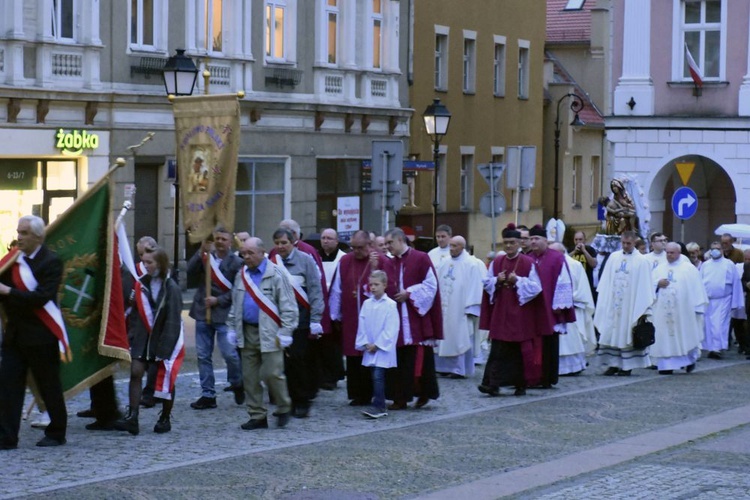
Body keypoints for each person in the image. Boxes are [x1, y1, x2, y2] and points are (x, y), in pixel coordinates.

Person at [0, 216, 68, 449]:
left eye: (25, 233)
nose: (19, 237)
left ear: (38, 236)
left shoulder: (51, 262)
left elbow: (41, 297)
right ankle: (7, 436)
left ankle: (57, 432)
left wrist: (9, 292)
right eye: (19, 232)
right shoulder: (12, 261)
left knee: (48, 386)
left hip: (41, 335)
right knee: (8, 386)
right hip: (15, 335)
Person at [228, 237, 298, 430]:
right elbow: (236, 303)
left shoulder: (276, 273)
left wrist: (286, 331)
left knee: (271, 373)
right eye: (244, 253)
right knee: (249, 377)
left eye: (250, 253)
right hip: (247, 331)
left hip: (271, 332)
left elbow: (288, 305)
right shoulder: (241, 275)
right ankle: (257, 415)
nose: (246, 257)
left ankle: (284, 406)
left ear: (262, 252)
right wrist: (232, 327)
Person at [115, 246, 184, 435]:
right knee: (136, 372)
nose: (145, 266)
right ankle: (133, 417)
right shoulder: (140, 284)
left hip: (163, 338)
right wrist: (131, 336)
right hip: (143, 338)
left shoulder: (172, 288)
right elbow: (135, 313)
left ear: (160, 263)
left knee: (165, 379)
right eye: (143, 262)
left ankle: (165, 417)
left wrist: (166, 347)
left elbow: (173, 319)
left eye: (149, 262)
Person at [478, 224, 543, 396]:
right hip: (501, 309)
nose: (508, 246)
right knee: (497, 348)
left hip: (519, 311)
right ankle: (492, 384)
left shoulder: (528, 262)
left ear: (519, 244)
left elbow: (536, 287)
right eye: (506, 242)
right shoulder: (497, 261)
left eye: (512, 242)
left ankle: (520, 384)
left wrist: (518, 281)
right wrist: (496, 281)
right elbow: (486, 282)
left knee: (518, 350)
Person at [329, 230, 393, 406]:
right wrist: (335, 315)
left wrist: (374, 269)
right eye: (353, 247)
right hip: (351, 317)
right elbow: (337, 288)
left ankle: (374, 393)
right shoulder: (345, 261)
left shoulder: (381, 260)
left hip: (374, 317)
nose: (356, 251)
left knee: (371, 353)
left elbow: (387, 286)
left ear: (369, 245)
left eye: (360, 247)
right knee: (353, 355)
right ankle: (357, 394)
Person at [383, 228, 442, 410]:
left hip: (416, 316)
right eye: (385, 244)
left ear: (401, 240)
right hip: (397, 316)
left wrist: (409, 293)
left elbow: (431, 285)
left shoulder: (421, 258)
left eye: (390, 243)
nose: (387, 247)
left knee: (418, 359)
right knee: (398, 358)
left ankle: (423, 392)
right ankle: (399, 397)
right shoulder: (391, 262)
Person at [187, 226, 244, 410]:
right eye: (217, 238)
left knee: (230, 354)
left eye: (223, 239)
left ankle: (237, 382)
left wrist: (218, 300)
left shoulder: (237, 263)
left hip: (224, 314)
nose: (219, 242)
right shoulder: (205, 258)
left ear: (230, 242)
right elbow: (189, 271)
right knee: (203, 355)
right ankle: (208, 394)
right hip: (203, 312)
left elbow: (238, 291)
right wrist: (201, 250)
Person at [272, 227, 324, 418]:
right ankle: (287, 401)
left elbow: (315, 290)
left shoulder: (305, 260)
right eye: (277, 243)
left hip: (301, 321)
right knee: (282, 364)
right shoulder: (272, 262)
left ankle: (302, 401)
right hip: (280, 321)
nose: (280, 247)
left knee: (299, 362)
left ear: (293, 242)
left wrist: (316, 319)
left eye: (284, 243)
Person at [594, 230, 656, 375]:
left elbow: (645, 286)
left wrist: (642, 310)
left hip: (630, 305)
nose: (626, 246)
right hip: (613, 303)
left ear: (635, 242)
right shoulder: (613, 257)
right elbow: (605, 282)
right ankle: (613, 364)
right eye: (623, 243)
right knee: (611, 333)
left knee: (626, 334)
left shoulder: (642, 261)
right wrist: (605, 300)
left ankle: (626, 366)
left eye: (628, 243)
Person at [527, 225, 575, 388]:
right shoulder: (528, 257)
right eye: (531, 239)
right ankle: (532, 376)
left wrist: (559, 305)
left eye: (537, 239)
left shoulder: (556, 258)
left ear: (545, 241)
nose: (533, 242)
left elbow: (564, 281)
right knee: (532, 344)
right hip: (532, 309)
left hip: (550, 307)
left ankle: (547, 378)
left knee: (549, 345)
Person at [650, 242, 708, 374]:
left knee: (685, 335)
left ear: (679, 253)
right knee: (664, 336)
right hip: (663, 311)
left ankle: (688, 360)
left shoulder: (688, 268)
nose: (669, 255)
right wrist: (657, 284)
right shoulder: (659, 268)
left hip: (684, 312)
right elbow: (650, 285)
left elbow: (697, 289)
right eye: (667, 252)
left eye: (672, 253)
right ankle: (665, 365)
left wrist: (698, 308)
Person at [434, 236, 484, 378]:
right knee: (443, 336)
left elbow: (476, 286)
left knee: (460, 337)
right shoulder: (444, 262)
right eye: (450, 246)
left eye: (455, 246)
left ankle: (458, 369)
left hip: (461, 308)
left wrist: (471, 308)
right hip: (445, 306)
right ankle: (442, 367)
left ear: (462, 247)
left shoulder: (472, 264)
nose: (451, 249)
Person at [355, 270, 399, 419]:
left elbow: (392, 327)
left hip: (382, 348)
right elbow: (362, 323)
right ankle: (378, 403)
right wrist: (366, 342)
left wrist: (378, 344)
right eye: (371, 284)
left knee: (378, 376)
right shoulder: (367, 304)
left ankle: (379, 406)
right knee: (374, 375)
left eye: (376, 284)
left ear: (385, 285)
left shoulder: (390, 305)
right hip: (370, 346)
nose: (373, 287)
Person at [550, 243, 596, 376]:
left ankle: (574, 367)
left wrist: (566, 300)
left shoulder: (575, 265)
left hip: (572, 309)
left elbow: (582, 288)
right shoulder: (549, 264)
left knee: (571, 340)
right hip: (552, 310)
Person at [700, 241, 743, 359]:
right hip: (708, 300)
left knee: (719, 324)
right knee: (708, 325)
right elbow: (700, 281)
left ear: (722, 250)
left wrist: (736, 301)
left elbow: (736, 283)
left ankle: (717, 348)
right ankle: (710, 347)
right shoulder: (705, 265)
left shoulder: (729, 264)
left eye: (718, 248)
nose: (715, 250)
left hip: (723, 299)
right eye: (713, 248)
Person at [569, 231, 597, 296]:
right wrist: (574, 252)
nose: (578, 242)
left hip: (587, 283)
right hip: (574, 284)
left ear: (585, 240)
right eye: (576, 239)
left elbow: (594, 264)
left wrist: (584, 251)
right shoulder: (571, 250)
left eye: (580, 239)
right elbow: (564, 261)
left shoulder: (590, 250)